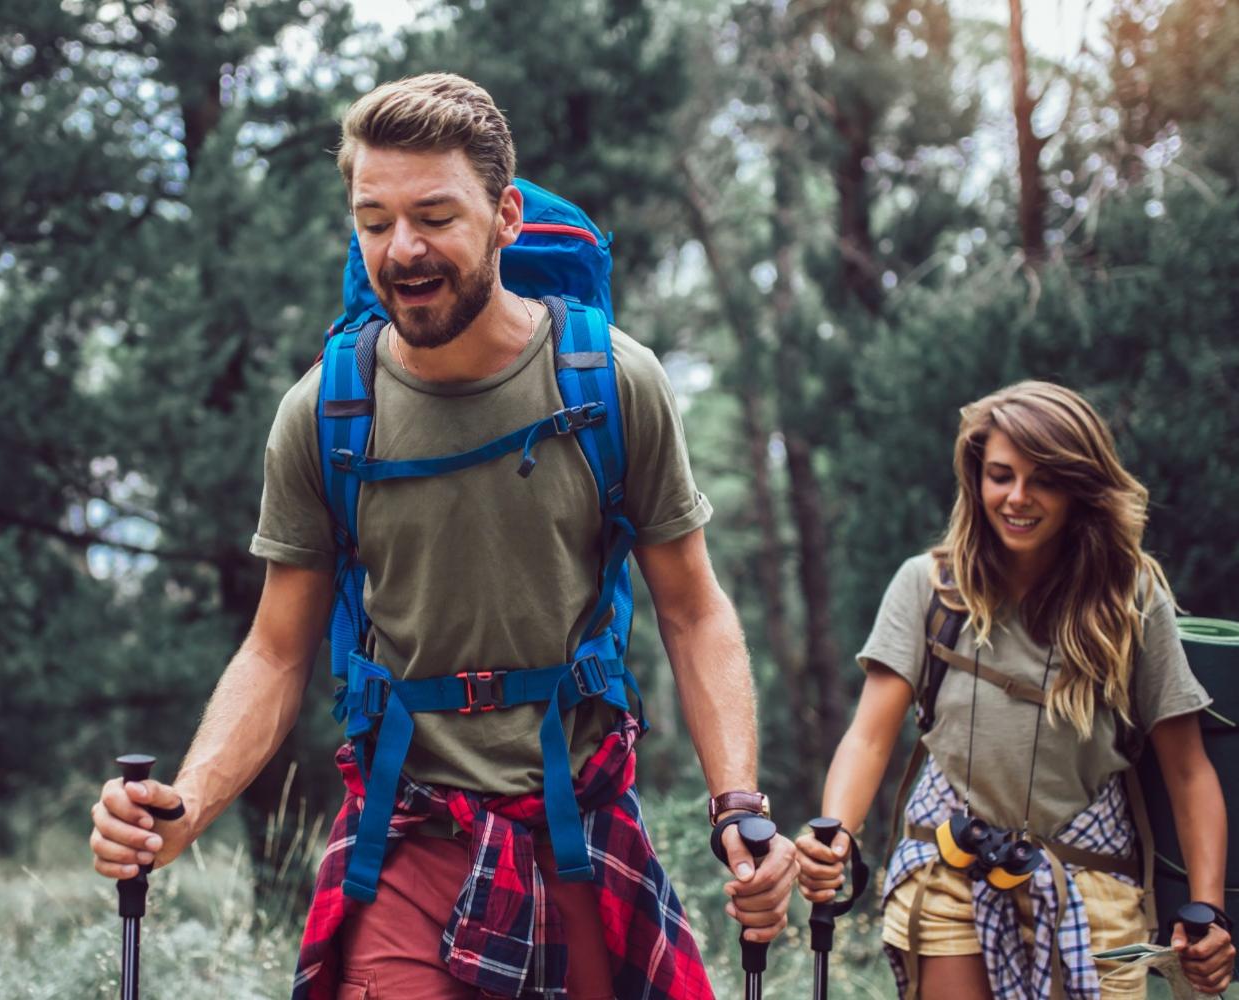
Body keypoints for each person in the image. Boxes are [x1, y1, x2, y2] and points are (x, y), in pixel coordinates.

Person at [88, 73, 795, 999]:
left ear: (504, 216)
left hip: (576, 820)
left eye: (433, 216)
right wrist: (184, 806)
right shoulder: (326, 413)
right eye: (373, 220)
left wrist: (736, 804)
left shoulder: (611, 384)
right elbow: (274, 649)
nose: (402, 249)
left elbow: (696, 614)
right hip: (406, 826)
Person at [793, 381, 1237, 1000]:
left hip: (1091, 877)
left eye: (1044, 480)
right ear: (977, 478)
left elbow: (1188, 770)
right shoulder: (929, 587)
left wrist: (1208, 910)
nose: (1018, 498)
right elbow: (869, 737)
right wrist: (834, 831)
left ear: (1080, 488)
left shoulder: (1129, 598)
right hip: (948, 863)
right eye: (1001, 475)